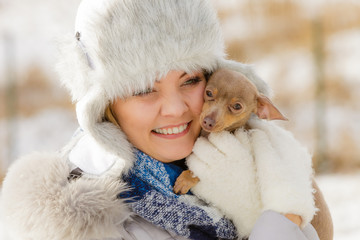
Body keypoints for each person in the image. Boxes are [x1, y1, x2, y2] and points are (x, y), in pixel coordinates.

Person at [1, 0, 333, 239]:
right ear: (102, 105)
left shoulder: (249, 161)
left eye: (190, 81)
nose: (176, 110)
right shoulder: (85, 224)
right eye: (144, 89)